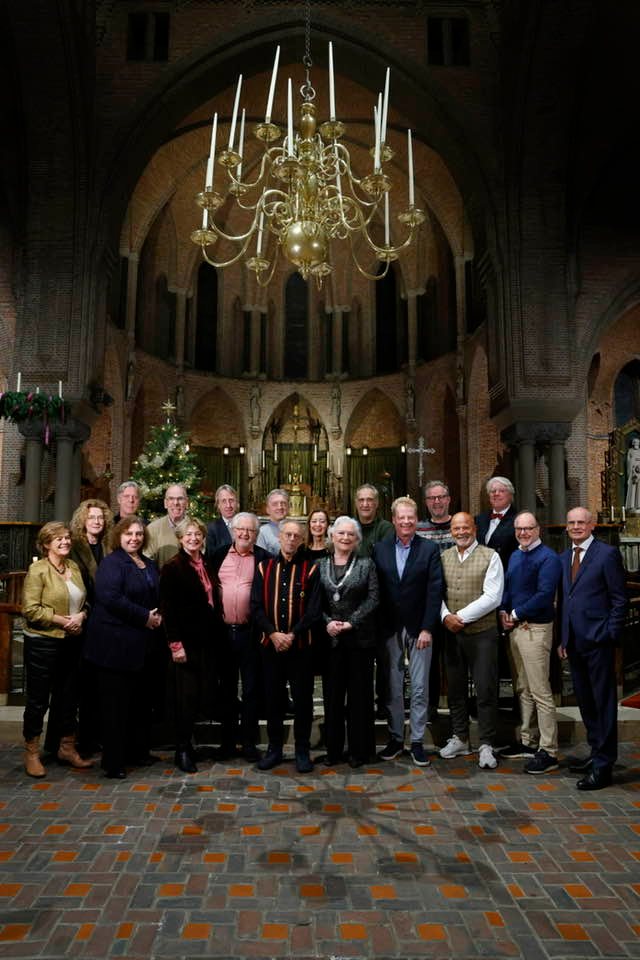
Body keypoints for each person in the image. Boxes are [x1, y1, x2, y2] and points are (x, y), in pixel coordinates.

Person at [84, 516, 162, 779]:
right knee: (115, 708)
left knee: (139, 704)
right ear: (119, 536)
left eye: (139, 534)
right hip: (113, 647)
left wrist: (158, 615)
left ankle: (137, 752)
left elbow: (157, 595)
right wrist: (144, 617)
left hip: (141, 647)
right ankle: (113, 762)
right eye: (129, 534)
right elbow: (110, 598)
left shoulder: (149, 563)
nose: (134, 538)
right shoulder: (111, 563)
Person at [557, 507, 628, 790]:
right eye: (571, 522)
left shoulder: (606, 555)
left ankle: (604, 765)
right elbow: (565, 601)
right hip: (574, 642)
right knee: (586, 703)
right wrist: (563, 638)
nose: (576, 527)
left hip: (598, 641)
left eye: (581, 522)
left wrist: (609, 634)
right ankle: (596, 751)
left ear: (592, 525)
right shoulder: (565, 558)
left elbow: (619, 599)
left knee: (603, 703)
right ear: (566, 527)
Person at [373, 496, 443, 767]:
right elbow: (375, 589)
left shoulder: (429, 549)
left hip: (419, 628)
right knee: (392, 687)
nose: (406, 521)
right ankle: (394, 737)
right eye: (401, 517)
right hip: (389, 628)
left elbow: (435, 591)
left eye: (410, 517)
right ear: (393, 520)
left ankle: (416, 741)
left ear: (416, 519)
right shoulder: (380, 549)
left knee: (419, 686)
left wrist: (427, 628)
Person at [21, 522, 93, 777]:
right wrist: (63, 621)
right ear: (46, 543)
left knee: (69, 696)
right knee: (39, 700)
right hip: (44, 642)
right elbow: (30, 609)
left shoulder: (73, 567)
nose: (65, 542)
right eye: (59, 539)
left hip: (73, 642)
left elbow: (84, 602)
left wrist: (82, 617)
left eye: (67, 538)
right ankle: (31, 751)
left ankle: (67, 747)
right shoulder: (38, 570)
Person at [251, 519, 321, 773]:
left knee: (303, 700)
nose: (291, 539)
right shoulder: (263, 568)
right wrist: (273, 634)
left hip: (301, 646)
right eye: (287, 535)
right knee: (273, 699)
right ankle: (275, 749)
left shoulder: (310, 569)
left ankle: (302, 750)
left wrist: (292, 635)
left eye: (296, 536)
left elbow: (314, 610)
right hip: (270, 646)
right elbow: (256, 606)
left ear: (302, 540)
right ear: (279, 537)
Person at [439, 512, 504, 769]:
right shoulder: (443, 557)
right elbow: (436, 591)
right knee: (455, 689)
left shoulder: (491, 556)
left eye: (465, 527)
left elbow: (493, 596)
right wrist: (445, 617)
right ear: (451, 531)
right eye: (456, 528)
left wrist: (460, 617)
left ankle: (487, 744)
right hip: (452, 634)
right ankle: (460, 737)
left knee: (485, 688)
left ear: (474, 529)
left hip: (482, 634)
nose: (461, 532)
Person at [498, 512, 562, 773]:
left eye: (528, 528)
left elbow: (545, 595)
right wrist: (504, 610)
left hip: (535, 629)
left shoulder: (548, 558)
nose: (523, 533)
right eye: (519, 529)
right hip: (515, 629)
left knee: (540, 692)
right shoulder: (516, 554)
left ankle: (549, 751)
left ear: (539, 529)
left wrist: (515, 613)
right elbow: (510, 588)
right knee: (522, 688)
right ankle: (528, 740)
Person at [318, 517, 379, 768]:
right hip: (330, 641)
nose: (345, 537)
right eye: (340, 533)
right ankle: (333, 751)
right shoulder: (319, 564)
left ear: (356, 540)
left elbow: (374, 598)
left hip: (358, 640)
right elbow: (315, 601)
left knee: (359, 697)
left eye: (350, 534)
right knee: (332, 698)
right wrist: (327, 622)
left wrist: (352, 622)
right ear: (332, 536)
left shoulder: (367, 565)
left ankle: (358, 751)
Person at [210, 512, 270, 762]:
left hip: (251, 634)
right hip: (223, 634)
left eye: (251, 531)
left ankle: (248, 743)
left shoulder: (265, 558)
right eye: (241, 529)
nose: (245, 534)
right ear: (233, 530)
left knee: (251, 690)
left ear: (256, 534)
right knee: (226, 690)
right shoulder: (218, 555)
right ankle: (226, 742)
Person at [159, 517, 218, 773]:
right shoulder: (173, 567)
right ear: (180, 538)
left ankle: (190, 743)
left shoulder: (206, 563)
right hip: (185, 642)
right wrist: (175, 644)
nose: (193, 538)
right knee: (185, 697)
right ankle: (182, 748)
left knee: (197, 696)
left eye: (197, 535)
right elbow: (168, 609)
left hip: (206, 641)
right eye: (189, 535)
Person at [68, 498, 113, 758]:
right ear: (83, 520)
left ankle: (100, 737)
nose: (97, 522)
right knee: (82, 686)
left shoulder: (109, 545)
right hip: (83, 619)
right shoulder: (74, 546)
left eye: (100, 517)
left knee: (101, 685)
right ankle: (82, 741)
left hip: (106, 621)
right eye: (92, 517)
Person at [420, 480, 455, 723]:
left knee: (454, 661)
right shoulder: (419, 530)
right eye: (432, 498)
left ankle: (457, 709)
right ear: (426, 502)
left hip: (456, 605)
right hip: (429, 606)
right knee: (429, 663)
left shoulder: (461, 525)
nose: (437, 502)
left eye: (441, 497)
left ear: (449, 499)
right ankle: (430, 708)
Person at [475, 476, 518, 568]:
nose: (496, 494)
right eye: (493, 491)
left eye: (501, 491)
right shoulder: (479, 519)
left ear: (510, 495)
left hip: (506, 571)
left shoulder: (519, 520)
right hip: (483, 573)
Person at [146, 483, 190, 568]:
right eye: (171, 499)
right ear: (165, 503)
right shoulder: (152, 529)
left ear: (187, 502)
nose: (176, 503)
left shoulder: (198, 529)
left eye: (180, 499)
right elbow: (147, 564)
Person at [354, 484, 393, 558]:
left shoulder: (386, 529)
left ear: (376, 503)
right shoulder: (349, 527)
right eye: (361, 500)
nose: (365, 504)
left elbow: (384, 558)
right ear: (356, 503)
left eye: (370, 500)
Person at [206, 484, 238, 557]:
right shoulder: (211, 529)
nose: (228, 505)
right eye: (224, 501)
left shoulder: (246, 524)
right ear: (218, 505)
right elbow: (211, 557)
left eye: (231, 500)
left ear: (236, 503)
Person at [257, 488, 290, 555]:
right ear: (267, 509)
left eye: (283, 503)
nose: (280, 507)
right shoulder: (262, 532)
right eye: (275, 504)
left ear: (288, 507)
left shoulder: (295, 529)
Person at [626, 437, 640, 511]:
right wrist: (633, 467)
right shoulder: (630, 451)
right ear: (633, 443)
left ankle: (638, 505)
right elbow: (628, 461)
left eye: (637, 442)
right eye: (635, 442)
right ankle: (631, 506)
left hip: (639, 473)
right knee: (633, 488)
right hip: (633, 472)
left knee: (639, 489)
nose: (636, 443)